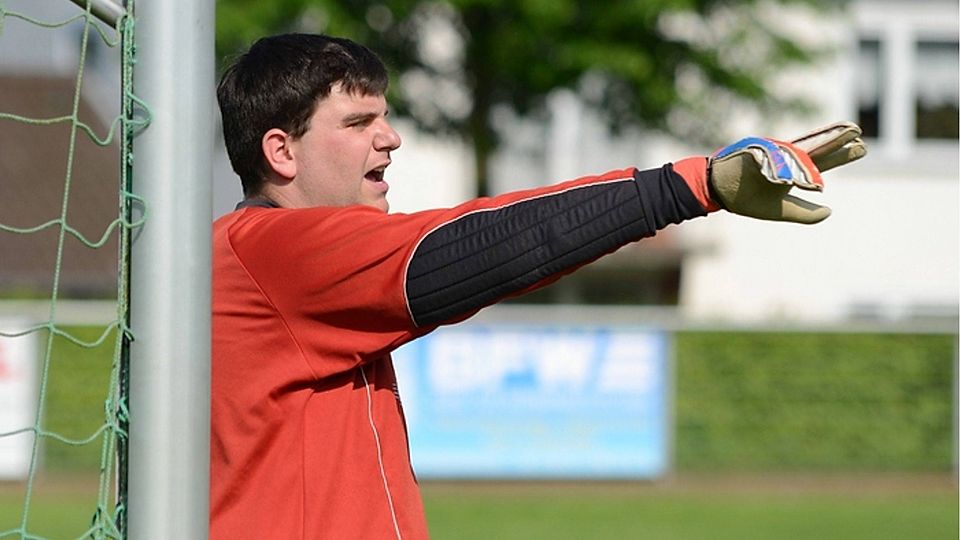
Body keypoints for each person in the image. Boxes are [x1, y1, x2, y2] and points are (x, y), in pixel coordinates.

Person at [212, 33, 865, 539]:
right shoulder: (277, 251)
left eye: (384, 117)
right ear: (281, 151)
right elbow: (476, 245)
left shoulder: (253, 254)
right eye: (358, 124)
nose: (391, 138)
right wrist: (690, 187)